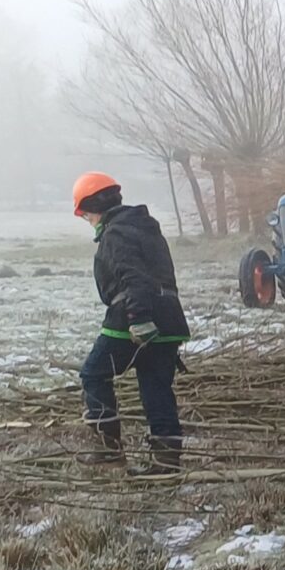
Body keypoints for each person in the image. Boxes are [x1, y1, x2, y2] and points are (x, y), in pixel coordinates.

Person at [72, 172, 190, 476]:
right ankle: (166, 463)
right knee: (156, 388)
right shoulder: (146, 228)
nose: (88, 221)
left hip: (132, 317)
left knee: (94, 374)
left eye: (85, 215)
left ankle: (109, 451)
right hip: (170, 316)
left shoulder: (115, 233)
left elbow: (133, 276)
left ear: (92, 208)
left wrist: (138, 320)